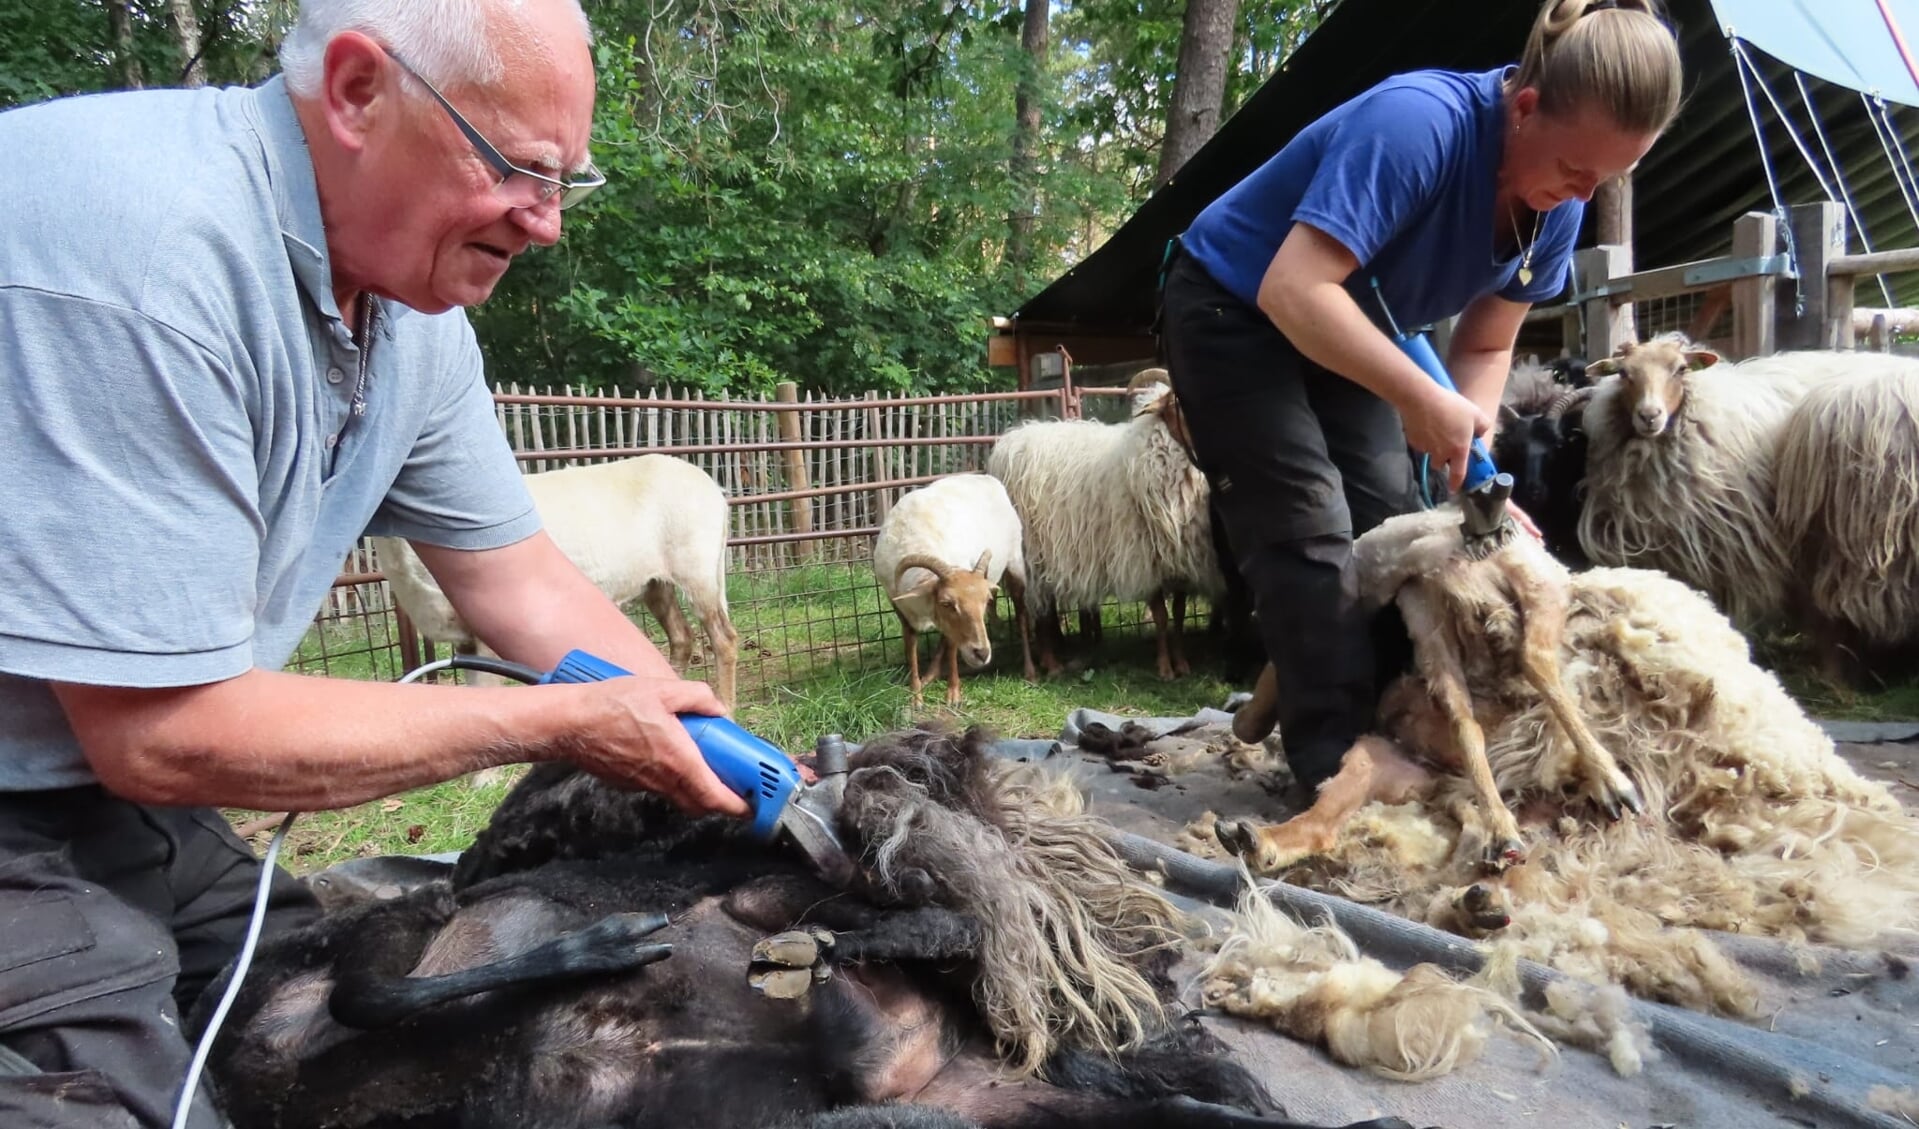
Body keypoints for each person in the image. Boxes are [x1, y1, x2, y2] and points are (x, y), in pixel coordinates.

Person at [0, 3, 753, 1126]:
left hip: (92, 778)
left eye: (568, 184)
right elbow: (159, 733)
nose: (547, 225)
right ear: (357, 92)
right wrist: (552, 727)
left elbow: (517, 580)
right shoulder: (138, 260)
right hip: (74, 772)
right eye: (519, 171)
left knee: (338, 1035)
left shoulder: (411, 318)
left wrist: (712, 748)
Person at [1159, 0, 1682, 814]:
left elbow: (1483, 347)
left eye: (1606, 179)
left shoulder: (1557, 210)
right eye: (1576, 168)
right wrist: (1416, 397)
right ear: (1524, 107)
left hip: (1346, 320)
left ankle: (1399, 728)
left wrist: (1468, 454)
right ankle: (1337, 770)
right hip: (1235, 306)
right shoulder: (1417, 127)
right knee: (1307, 531)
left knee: (1397, 527)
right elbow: (1293, 287)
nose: (1583, 193)